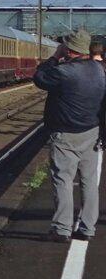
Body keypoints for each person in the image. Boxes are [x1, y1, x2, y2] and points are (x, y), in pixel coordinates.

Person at [33, 28, 106, 242]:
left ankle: (62, 229)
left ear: (70, 49)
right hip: (91, 131)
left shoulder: (64, 72)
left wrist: (55, 57)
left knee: (63, 180)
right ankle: (87, 229)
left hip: (65, 134)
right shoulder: (100, 70)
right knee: (89, 182)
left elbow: (39, 77)